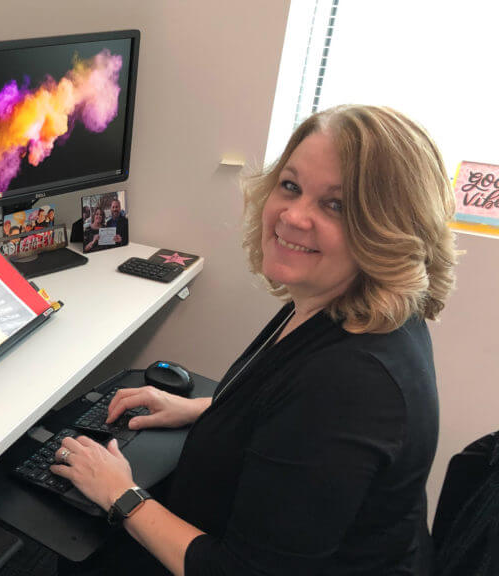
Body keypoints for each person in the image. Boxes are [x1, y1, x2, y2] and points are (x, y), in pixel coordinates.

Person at [51, 105, 457, 575]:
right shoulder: (346, 307)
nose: (294, 216)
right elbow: (286, 407)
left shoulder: (353, 384)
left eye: (336, 205)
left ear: (390, 231)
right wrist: (205, 407)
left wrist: (119, 494)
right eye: (291, 186)